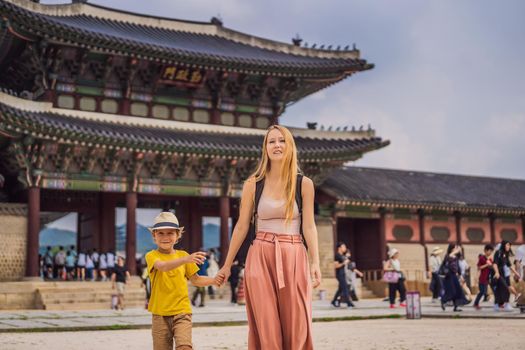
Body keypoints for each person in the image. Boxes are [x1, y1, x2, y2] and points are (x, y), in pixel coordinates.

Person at [216, 125, 322, 350]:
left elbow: (310, 226)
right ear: (265, 148)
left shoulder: (304, 184)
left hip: (293, 254)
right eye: (271, 141)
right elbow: (242, 227)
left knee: (297, 322)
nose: (277, 145)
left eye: (282, 140)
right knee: (266, 323)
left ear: (290, 146)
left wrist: (316, 262)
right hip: (261, 255)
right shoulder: (252, 184)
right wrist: (226, 265)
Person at [145, 212, 216, 350]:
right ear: (154, 236)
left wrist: (214, 280)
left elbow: (196, 280)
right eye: (161, 233)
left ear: (178, 236)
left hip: (182, 311)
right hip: (160, 314)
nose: (165, 237)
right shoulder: (152, 256)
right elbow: (163, 267)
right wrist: (186, 259)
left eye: (170, 233)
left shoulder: (183, 255)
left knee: (185, 346)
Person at [492, 240, 521, 311]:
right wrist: (496, 272)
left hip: (503, 274)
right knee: (506, 288)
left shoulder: (506, 254)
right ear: (503, 245)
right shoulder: (498, 252)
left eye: (509, 245)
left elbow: (509, 265)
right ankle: (506, 304)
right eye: (507, 245)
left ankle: (496, 305)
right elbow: (494, 263)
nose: (508, 246)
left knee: (498, 290)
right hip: (497, 274)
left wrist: (516, 273)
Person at [440, 243, 468, 312]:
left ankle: (456, 307)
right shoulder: (448, 256)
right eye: (455, 248)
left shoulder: (455, 257)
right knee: (451, 291)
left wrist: (461, 276)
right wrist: (455, 251)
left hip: (454, 275)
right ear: (452, 248)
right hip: (449, 276)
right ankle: (443, 301)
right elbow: (448, 259)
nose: (456, 249)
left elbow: (457, 267)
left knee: (458, 290)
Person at [331, 242, 354, 308]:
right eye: (343, 247)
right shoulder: (337, 255)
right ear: (339, 248)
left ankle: (334, 301)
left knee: (340, 289)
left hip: (344, 273)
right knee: (345, 288)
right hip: (339, 274)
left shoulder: (342, 255)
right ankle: (349, 303)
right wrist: (344, 263)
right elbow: (336, 266)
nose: (345, 248)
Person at [473, 244, 494, 310]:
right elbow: (479, 267)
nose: (490, 252)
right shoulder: (482, 258)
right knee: (482, 292)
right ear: (485, 250)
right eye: (489, 251)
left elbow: (492, 267)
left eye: (491, 251)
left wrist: (491, 265)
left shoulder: (490, 259)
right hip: (482, 278)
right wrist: (487, 264)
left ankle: (496, 302)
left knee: (486, 291)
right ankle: (476, 303)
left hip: (488, 278)